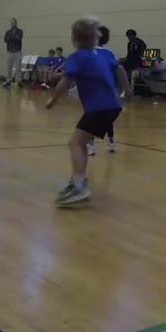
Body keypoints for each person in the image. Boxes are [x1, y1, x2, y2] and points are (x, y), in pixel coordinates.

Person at [46, 17, 132, 207]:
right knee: (81, 143)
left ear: (74, 39)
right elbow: (121, 70)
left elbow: (66, 82)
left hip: (99, 108)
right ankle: (78, 181)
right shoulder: (101, 55)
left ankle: (79, 186)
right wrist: (127, 90)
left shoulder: (77, 57)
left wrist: (53, 99)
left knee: (75, 143)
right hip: (112, 106)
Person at [86, 25, 120, 155]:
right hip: (109, 90)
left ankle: (91, 146)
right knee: (107, 119)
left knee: (91, 119)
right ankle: (111, 143)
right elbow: (117, 70)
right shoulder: (110, 52)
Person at [3, 18, 24, 87]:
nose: (12, 23)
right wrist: (13, 37)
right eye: (11, 22)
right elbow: (5, 40)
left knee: (18, 67)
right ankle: (8, 81)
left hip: (17, 51)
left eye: (14, 22)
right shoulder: (8, 32)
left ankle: (19, 81)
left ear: (16, 23)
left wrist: (10, 38)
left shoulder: (20, 31)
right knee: (9, 67)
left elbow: (19, 38)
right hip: (9, 51)